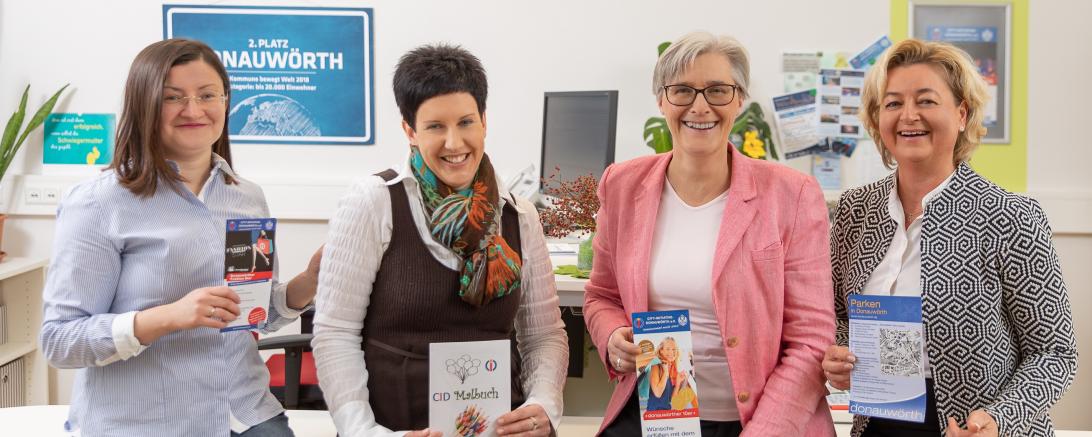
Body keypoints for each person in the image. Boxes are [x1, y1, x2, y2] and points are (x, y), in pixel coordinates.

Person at [38, 39, 322, 436]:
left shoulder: (246, 196)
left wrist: (307, 283)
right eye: (174, 98)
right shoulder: (99, 202)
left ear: (225, 101)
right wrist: (169, 317)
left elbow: (251, 313)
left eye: (207, 95)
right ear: (145, 105)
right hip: (148, 424)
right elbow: (60, 341)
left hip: (248, 416)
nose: (193, 109)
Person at [583, 31, 836, 437]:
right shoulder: (622, 184)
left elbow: (810, 340)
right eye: (682, 91)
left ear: (739, 99)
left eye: (718, 90)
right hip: (658, 415)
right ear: (661, 100)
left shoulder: (793, 195)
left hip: (760, 422)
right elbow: (602, 296)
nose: (700, 106)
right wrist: (613, 335)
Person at [822, 38, 1077, 437]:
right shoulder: (855, 210)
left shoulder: (1010, 216)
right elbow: (836, 313)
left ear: (961, 114)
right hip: (875, 423)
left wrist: (999, 418)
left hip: (973, 429)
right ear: (877, 119)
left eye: (926, 101)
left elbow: (1055, 352)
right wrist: (836, 355)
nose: (908, 115)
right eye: (892, 103)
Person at [311, 43, 568, 437]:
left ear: (484, 120)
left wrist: (543, 405)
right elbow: (335, 333)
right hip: (394, 427)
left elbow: (543, 334)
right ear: (409, 131)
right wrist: (364, 432)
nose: (454, 143)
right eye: (435, 127)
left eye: (466, 122)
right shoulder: (374, 202)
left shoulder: (518, 214)